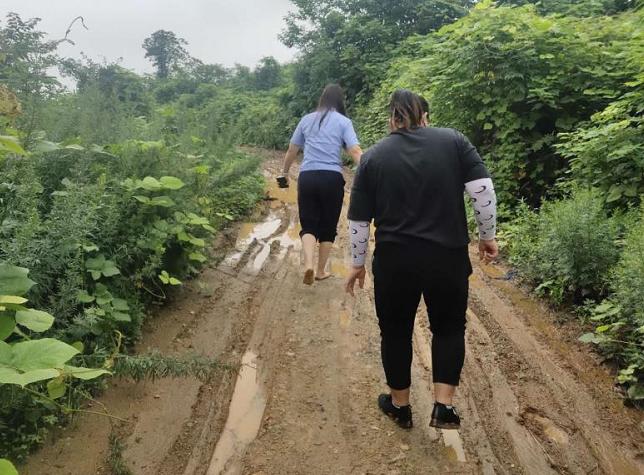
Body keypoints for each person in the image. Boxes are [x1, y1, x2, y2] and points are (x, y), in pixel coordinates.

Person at [345, 89, 498, 430]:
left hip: (395, 260)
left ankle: (400, 407)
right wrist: (487, 236)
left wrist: (357, 263)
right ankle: (443, 407)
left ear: (391, 119)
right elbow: (483, 191)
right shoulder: (454, 142)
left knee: (395, 332)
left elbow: (357, 221)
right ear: (426, 117)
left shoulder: (373, 157)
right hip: (448, 256)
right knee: (448, 327)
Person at [278, 84, 362, 285]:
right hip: (331, 178)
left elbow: (292, 150)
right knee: (328, 224)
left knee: (308, 223)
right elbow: (355, 151)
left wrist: (284, 173)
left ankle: (308, 264)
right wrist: (373, 171)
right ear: (340, 101)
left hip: (307, 176)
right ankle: (320, 271)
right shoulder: (344, 122)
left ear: (322, 99)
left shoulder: (306, 120)